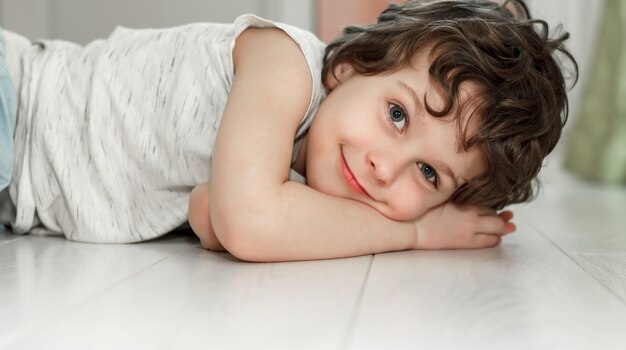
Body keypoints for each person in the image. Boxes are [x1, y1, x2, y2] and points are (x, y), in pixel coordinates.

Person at [0, 0, 576, 261]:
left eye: (427, 173)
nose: (384, 165)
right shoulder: (284, 63)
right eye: (398, 115)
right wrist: (416, 235)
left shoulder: (289, 183)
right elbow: (247, 223)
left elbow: (211, 213)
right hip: (16, 102)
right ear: (351, 65)